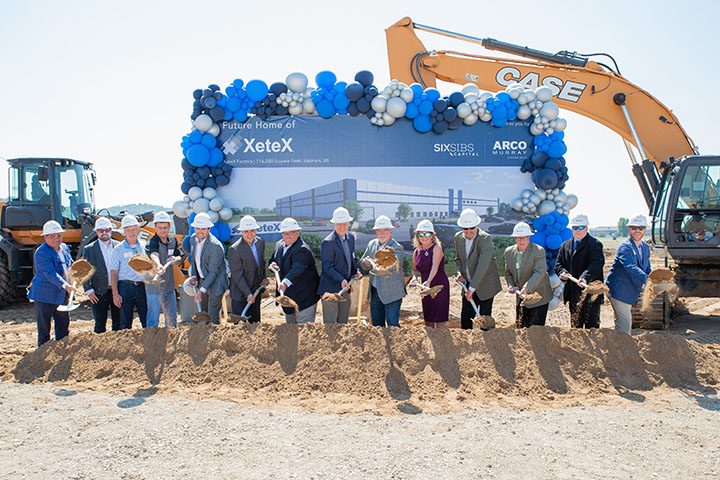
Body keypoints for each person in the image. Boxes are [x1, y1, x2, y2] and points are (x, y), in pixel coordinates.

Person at [27, 220, 75, 347]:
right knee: (44, 331)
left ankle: (61, 353)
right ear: (45, 237)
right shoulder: (41, 252)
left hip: (61, 295)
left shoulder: (64, 247)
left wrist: (74, 278)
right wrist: (66, 285)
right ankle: (42, 358)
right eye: (52, 236)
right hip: (44, 296)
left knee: (63, 328)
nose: (56, 239)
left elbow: (69, 266)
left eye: (59, 235)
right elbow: (50, 274)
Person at [453, 208, 502, 329]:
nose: (469, 231)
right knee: (466, 317)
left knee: (485, 320)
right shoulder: (458, 238)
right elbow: (458, 259)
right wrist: (460, 273)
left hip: (486, 284)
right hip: (468, 283)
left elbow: (482, 266)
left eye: (472, 228)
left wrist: (472, 289)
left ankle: (486, 343)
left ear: (477, 225)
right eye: (465, 228)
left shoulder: (485, 239)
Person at [555, 214, 605, 329]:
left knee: (591, 326)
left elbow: (596, 263)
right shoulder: (565, 245)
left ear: (587, 228)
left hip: (591, 292)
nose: (578, 230)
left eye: (581, 227)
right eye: (575, 227)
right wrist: (562, 272)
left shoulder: (595, 244)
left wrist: (585, 277)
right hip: (573, 292)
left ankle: (592, 347)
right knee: (575, 325)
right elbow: (558, 264)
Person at [606, 214, 652, 334]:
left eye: (640, 228)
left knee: (621, 322)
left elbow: (647, 266)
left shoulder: (646, 247)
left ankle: (617, 348)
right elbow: (631, 267)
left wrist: (653, 277)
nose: (637, 230)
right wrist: (648, 281)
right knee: (625, 323)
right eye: (633, 227)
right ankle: (624, 350)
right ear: (629, 229)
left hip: (630, 289)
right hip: (619, 289)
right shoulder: (625, 247)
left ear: (645, 229)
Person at [269, 217, 320, 324]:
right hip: (288, 297)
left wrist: (284, 283)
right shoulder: (279, 245)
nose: (288, 236)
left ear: (298, 232)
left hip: (305, 296)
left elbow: (297, 269)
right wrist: (272, 265)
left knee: (304, 329)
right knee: (290, 329)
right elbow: (273, 259)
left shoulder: (302, 249)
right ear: (282, 234)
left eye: (292, 232)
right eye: (285, 233)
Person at [504, 222, 553, 328]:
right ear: (515, 238)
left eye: (524, 238)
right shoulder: (509, 252)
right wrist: (511, 285)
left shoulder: (538, 251)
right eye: (518, 238)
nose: (521, 241)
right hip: (521, 296)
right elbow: (508, 273)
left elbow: (539, 272)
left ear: (529, 237)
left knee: (536, 331)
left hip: (538, 296)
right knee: (521, 327)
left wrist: (526, 288)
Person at [360, 215, 406, 327]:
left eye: (385, 230)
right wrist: (365, 263)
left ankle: (395, 345)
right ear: (375, 231)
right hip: (375, 292)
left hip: (392, 293)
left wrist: (372, 265)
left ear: (391, 231)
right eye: (379, 230)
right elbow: (363, 260)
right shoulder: (372, 244)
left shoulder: (397, 248)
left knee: (392, 325)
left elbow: (389, 270)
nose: (382, 233)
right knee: (377, 326)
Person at [318, 207, 360, 324]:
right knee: (331, 326)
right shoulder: (328, 242)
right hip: (330, 289)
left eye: (344, 224)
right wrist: (341, 279)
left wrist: (355, 271)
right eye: (339, 224)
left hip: (345, 288)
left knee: (343, 324)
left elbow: (351, 258)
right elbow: (327, 267)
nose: (342, 227)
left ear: (348, 224)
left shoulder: (350, 238)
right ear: (334, 224)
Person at [187, 212, 228, 324]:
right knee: (203, 315)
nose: (200, 231)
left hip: (216, 283)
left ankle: (214, 338)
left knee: (212, 316)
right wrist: (194, 276)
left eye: (203, 229)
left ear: (209, 229)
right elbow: (195, 260)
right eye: (197, 228)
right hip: (202, 281)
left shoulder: (215, 246)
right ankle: (204, 337)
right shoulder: (193, 239)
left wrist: (201, 291)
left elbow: (214, 272)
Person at [81, 217, 120, 333]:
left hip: (116, 291)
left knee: (118, 323)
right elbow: (84, 271)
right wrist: (89, 290)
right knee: (100, 324)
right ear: (96, 232)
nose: (104, 233)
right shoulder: (89, 249)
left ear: (111, 230)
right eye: (100, 230)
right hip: (98, 292)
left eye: (107, 230)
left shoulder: (118, 246)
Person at [110, 215, 148, 329]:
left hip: (142, 286)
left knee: (145, 318)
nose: (131, 233)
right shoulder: (118, 249)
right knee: (125, 322)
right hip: (125, 287)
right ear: (124, 232)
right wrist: (115, 294)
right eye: (128, 230)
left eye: (133, 229)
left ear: (138, 229)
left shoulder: (144, 246)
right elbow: (114, 273)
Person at [145, 211, 182, 328]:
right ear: (155, 227)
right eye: (160, 227)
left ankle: (170, 340)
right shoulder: (152, 241)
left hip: (169, 285)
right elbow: (153, 253)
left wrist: (176, 259)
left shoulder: (173, 241)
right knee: (153, 317)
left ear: (169, 226)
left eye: (165, 227)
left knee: (171, 317)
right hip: (153, 286)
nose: (163, 230)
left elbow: (179, 257)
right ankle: (152, 342)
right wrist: (159, 264)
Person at [227, 215, 267, 323]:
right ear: (241, 232)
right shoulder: (235, 250)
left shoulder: (260, 242)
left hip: (255, 290)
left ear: (256, 230)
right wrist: (248, 293)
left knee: (255, 323)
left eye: (252, 230)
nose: (249, 234)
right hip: (240, 294)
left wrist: (263, 277)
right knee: (241, 328)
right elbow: (237, 275)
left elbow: (261, 263)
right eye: (246, 231)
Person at [412, 220, 450, 328]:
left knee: (439, 320)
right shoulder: (417, 251)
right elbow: (413, 269)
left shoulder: (437, 248)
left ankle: (442, 344)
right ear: (417, 236)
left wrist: (428, 282)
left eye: (427, 234)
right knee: (428, 319)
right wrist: (414, 278)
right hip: (425, 287)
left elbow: (435, 266)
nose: (424, 237)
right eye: (421, 234)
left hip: (438, 286)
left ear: (432, 235)